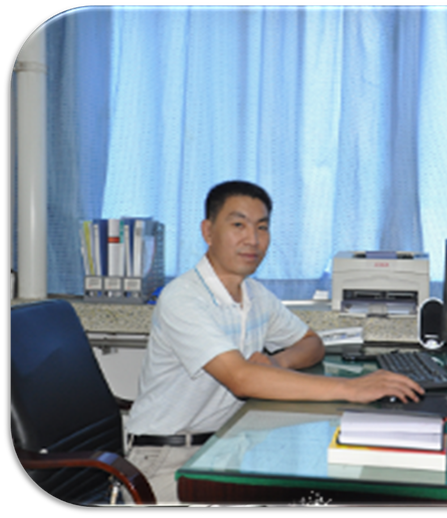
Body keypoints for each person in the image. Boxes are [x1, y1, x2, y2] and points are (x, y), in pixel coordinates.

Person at [124, 180, 423, 504]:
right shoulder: (183, 298)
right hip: (166, 460)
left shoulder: (254, 294)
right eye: (238, 225)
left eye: (262, 227)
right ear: (208, 231)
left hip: (226, 444)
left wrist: (277, 362)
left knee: (329, 489)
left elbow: (312, 343)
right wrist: (352, 388)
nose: (253, 239)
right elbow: (240, 379)